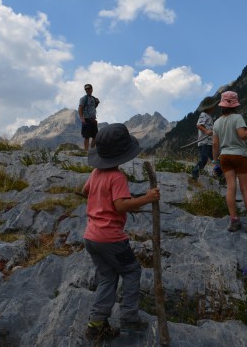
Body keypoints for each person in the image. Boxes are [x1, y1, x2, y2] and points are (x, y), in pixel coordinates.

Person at [82, 123, 161, 341]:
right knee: (132, 271)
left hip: (91, 236)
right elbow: (120, 206)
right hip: (110, 238)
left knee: (107, 277)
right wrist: (146, 198)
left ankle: (96, 324)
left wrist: (102, 202)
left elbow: (85, 191)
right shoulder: (117, 177)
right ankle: (129, 317)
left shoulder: (95, 173)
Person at [212, 91, 247, 233]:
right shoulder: (237, 118)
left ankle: (234, 220)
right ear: (235, 105)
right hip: (239, 156)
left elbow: (215, 144)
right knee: (245, 188)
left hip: (224, 157)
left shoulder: (216, 122)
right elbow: (243, 135)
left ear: (222, 105)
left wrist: (215, 161)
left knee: (231, 187)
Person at [191, 95, 218, 181]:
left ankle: (220, 176)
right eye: (213, 106)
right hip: (204, 143)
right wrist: (206, 131)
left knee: (216, 160)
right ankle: (195, 172)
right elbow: (199, 125)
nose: (214, 107)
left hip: (210, 143)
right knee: (203, 159)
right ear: (209, 107)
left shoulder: (209, 116)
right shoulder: (203, 115)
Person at [78, 83, 100, 152]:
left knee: (96, 136)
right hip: (86, 119)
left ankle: (92, 151)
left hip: (93, 120)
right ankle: (86, 152)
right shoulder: (83, 98)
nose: (87, 90)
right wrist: (82, 119)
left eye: (88, 88)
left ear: (92, 89)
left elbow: (93, 108)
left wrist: (97, 103)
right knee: (86, 137)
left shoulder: (93, 98)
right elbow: (80, 109)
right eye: (86, 89)